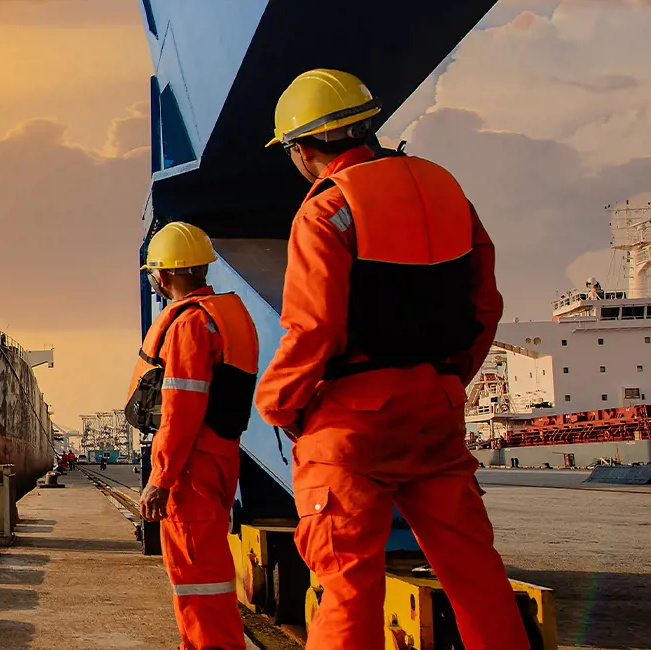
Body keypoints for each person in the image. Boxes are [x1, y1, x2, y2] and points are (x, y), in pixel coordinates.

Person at [253, 69, 524, 649]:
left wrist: (277, 403)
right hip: (437, 410)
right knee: (475, 573)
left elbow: (313, 328)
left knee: (348, 582)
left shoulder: (327, 209)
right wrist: (449, 379)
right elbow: (485, 306)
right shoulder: (448, 190)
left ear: (301, 149)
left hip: (352, 423)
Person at [127, 222, 259, 650]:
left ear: (161, 277)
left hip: (191, 466)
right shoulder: (230, 315)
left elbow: (180, 413)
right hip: (220, 457)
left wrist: (159, 480)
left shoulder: (188, 326)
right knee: (208, 574)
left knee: (196, 579)